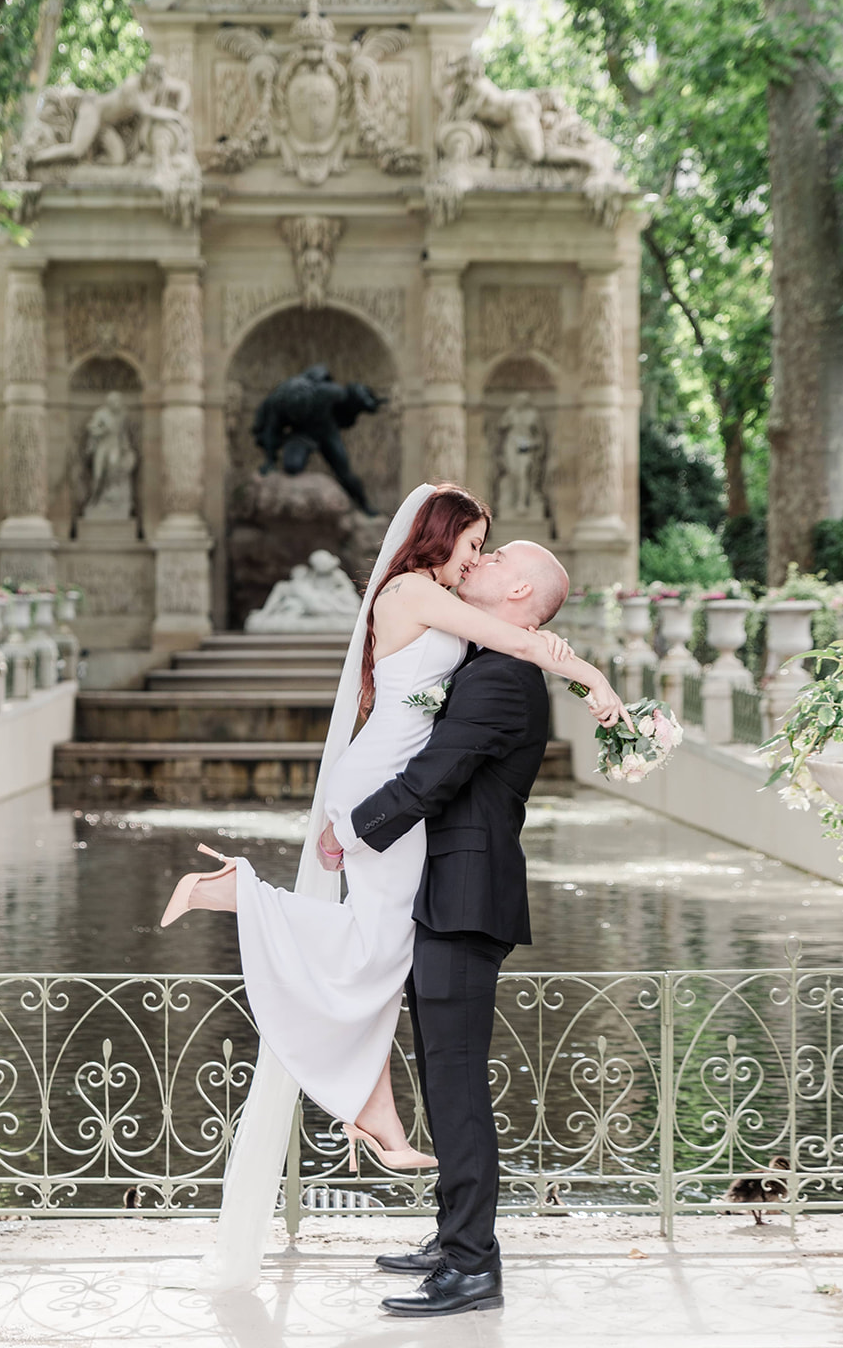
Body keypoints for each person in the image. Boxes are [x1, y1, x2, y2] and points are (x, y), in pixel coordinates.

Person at [160, 487, 625, 1221]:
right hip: (383, 785)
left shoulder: (435, 603)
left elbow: (513, 641)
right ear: (440, 539)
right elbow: (521, 641)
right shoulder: (413, 590)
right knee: (376, 944)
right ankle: (241, 900)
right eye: (474, 543)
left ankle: (372, 1108)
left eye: (486, 551)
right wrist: (595, 681)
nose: (476, 557)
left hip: (377, 780)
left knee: (378, 944)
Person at [339, 538, 571, 1316]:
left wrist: (352, 828)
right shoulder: (483, 661)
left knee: (458, 1086)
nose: (483, 559)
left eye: (498, 556)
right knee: (444, 1077)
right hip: (440, 896)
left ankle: (473, 1265)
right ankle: (454, 1237)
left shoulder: (505, 678)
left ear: (521, 595)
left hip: (464, 901)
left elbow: (434, 778)